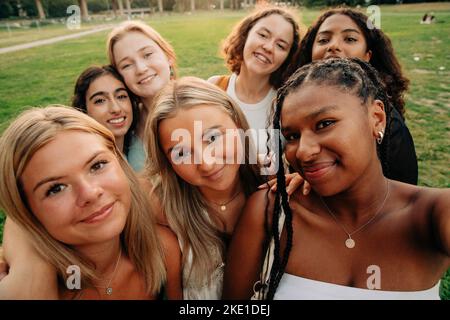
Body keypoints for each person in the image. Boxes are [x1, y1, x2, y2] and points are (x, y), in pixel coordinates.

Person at [223, 58, 449, 300]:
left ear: (377, 118)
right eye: (292, 135)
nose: (303, 151)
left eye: (324, 124)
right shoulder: (272, 208)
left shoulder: (433, 213)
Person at [0, 106, 182, 299]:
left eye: (97, 165)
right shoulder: (30, 288)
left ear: (120, 162)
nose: (90, 193)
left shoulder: (161, 249)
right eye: (56, 188)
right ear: (26, 211)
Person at [144, 77, 264, 299]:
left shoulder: (277, 182)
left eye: (212, 137)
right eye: (181, 153)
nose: (206, 163)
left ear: (237, 124)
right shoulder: (161, 209)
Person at [295, 8, 418, 185]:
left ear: (367, 56)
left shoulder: (388, 124)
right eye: (323, 40)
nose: (333, 46)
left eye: (350, 39)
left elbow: (399, 194)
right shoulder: (296, 106)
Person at [208, 5, 301, 163]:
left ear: (288, 57)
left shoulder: (288, 103)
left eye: (281, 46)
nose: (268, 47)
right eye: (263, 35)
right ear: (245, 35)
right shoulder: (214, 87)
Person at [106, 20, 177, 172]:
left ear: (168, 56)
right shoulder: (126, 121)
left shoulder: (200, 103)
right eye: (126, 65)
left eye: (147, 54)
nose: (141, 69)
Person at [72, 65, 139, 158]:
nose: (116, 109)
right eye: (100, 100)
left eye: (121, 96)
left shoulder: (137, 148)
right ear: (83, 110)